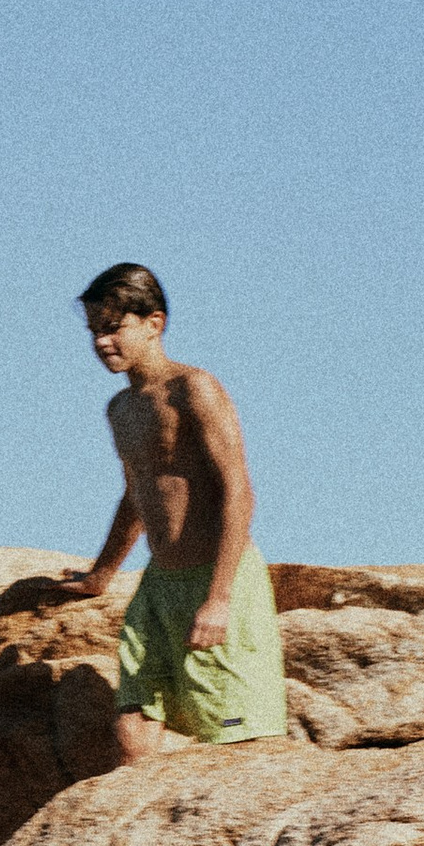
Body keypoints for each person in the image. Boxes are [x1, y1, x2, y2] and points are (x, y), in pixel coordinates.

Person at [54, 263, 288, 758]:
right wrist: (101, 574)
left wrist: (220, 598)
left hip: (218, 579)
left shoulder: (194, 389)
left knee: (236, 733)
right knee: (135, 717)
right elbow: (134, 496)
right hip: (160, 586)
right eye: (95, 331)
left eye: (113, 328)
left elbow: (239, 491)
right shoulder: (120, 409)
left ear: (153, 323)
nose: (101, 343)